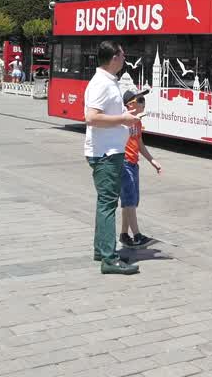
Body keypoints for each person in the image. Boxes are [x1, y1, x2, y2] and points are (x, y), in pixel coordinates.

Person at [83, 41, 140, 275]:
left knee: (104, 202)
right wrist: (124, 120)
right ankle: (109, 258)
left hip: (108, 151)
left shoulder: (107, 82)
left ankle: (101, 249)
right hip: (106, 154)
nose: (125, 58)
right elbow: (91, 117)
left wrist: (123, 116)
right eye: (123, 54)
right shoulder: (101, 84)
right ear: (114, 58)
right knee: (108, 204)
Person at [119, 88, 161, 249]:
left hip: (133, 163)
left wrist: (152, 160)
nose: (144, 103)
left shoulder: (137, 122)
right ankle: (137, 236)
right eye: (140, 100)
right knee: (130, 199)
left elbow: (140, 143)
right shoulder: (123, 120)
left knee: (131, 201)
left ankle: (124, 234)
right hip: (124, 163)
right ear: (130, 105)